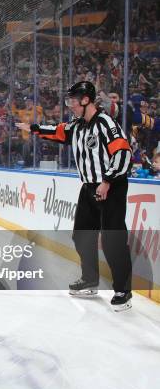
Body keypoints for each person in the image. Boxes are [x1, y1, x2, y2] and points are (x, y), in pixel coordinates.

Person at [16, 81, 133, 311]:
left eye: (73, 100)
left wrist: (107, 180)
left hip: (111, 187)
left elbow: (123, 152)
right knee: (81, 236)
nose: (70, 104)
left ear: (86, 100)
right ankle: (90, 280)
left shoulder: (105, 123)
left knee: (113, 240)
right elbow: (58, 131)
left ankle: (123, 290)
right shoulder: (78, 126)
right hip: (89, 188)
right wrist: (34, 129)